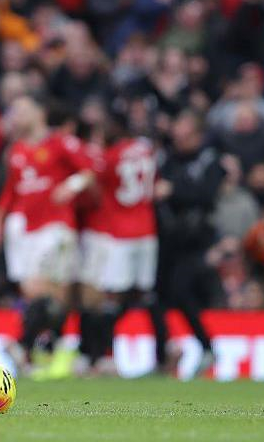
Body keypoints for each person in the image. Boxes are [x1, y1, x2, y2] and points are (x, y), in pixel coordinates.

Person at [0, 96, 94, 378]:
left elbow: (90, 171)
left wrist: (70, 186)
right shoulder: (16, 151)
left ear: (39, 112)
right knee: (45, 296)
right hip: (25, 230)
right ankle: (54, 350)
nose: (16, 116)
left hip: (55, 226)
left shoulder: (60, 142)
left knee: (44, 290)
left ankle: (24, 345)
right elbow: (11, 191)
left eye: (22, 109)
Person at [65, 115, 158, 375]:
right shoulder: (145, 150)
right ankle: (158, 349)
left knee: (103, 297)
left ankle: (100, 354)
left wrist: (68, 186)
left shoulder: (111, 157)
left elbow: (89, 177)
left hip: (115, 232)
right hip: (146, 229)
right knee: (138, 295)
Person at [153, 110, 222, 377]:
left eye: (185, 131)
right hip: (165, 239)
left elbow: (207, 195)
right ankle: (165, 354)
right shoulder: (167, 158)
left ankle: (206, 347)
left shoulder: (210, 160)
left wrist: (174, 191)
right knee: (156, 298)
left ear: (198, 134)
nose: (178, 136)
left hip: (194, 241)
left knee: (181, 291)